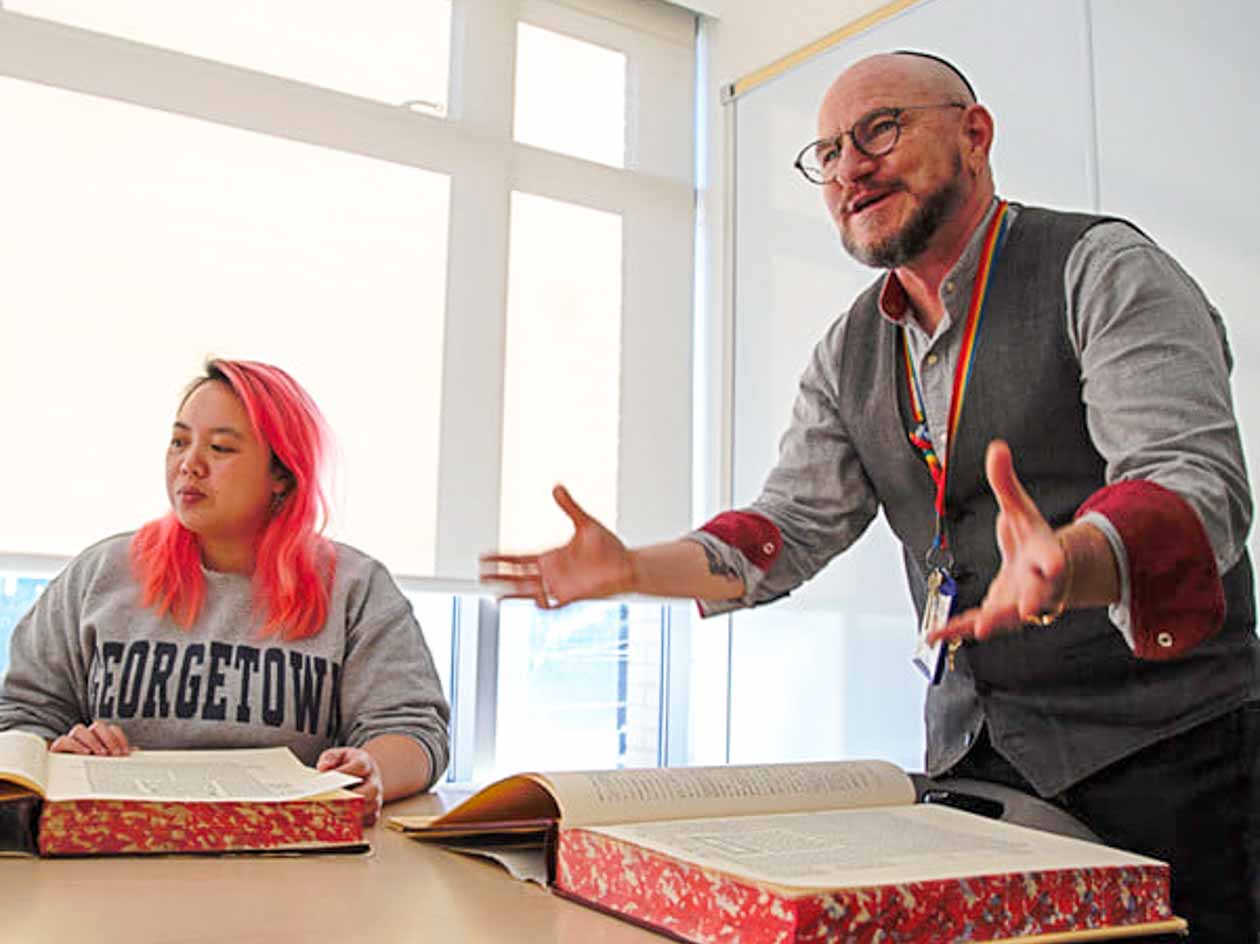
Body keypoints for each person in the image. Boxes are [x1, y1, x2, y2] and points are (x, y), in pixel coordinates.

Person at [483, 52, 1259, 940]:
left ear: (975, 134)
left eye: (880, 130)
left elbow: (1193, 484)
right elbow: (785, 528)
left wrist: (1076, 557)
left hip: (1167, 756)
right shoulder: (848, 350)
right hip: (976, 760)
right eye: (826, 152)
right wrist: (632, 568)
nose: (850, 166)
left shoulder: (1102, 267)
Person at [0, 359, 450, 825]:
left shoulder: (355, 588)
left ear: (283, 474)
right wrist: (58, 754)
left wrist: (371, 769)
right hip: (115, 855)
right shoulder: (99, 575)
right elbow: (22, 714)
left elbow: (413, 729)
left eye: (220, 448)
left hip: (298, 865)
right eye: (179, 442)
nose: (189, 465)